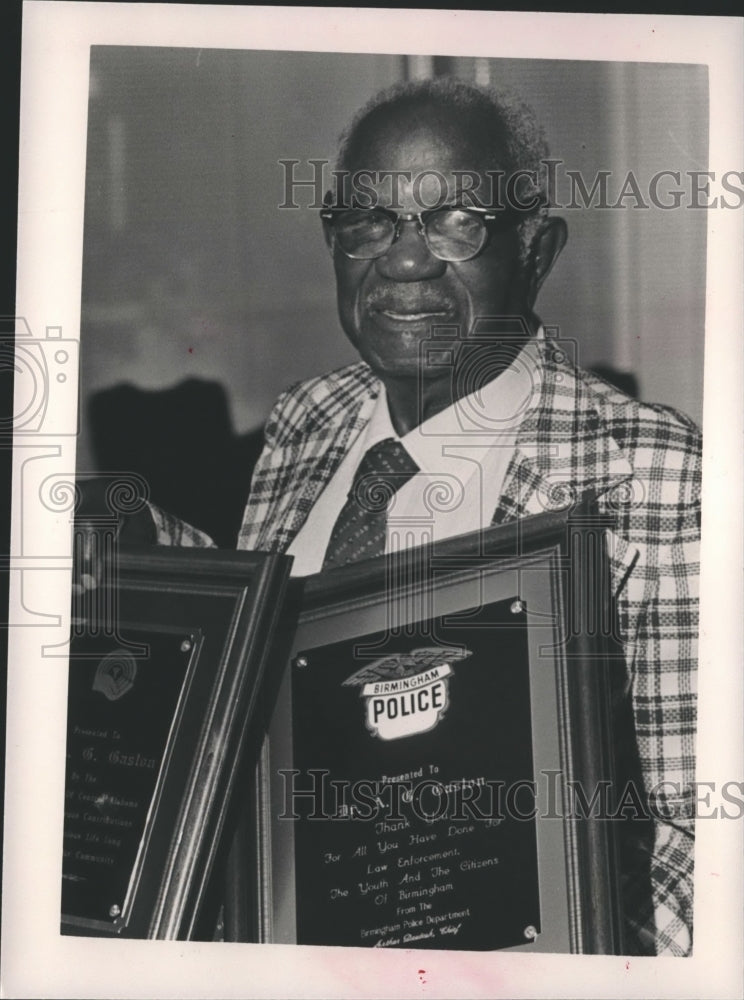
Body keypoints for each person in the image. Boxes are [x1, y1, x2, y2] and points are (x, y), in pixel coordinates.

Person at [86, 78, 701, 955]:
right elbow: (269, 631)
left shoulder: (663, 482)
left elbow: (705, 847)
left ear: (538, 249)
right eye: (367, 222)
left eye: (457, 222)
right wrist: (133, 542)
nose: (404, 262)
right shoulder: (313, 419)